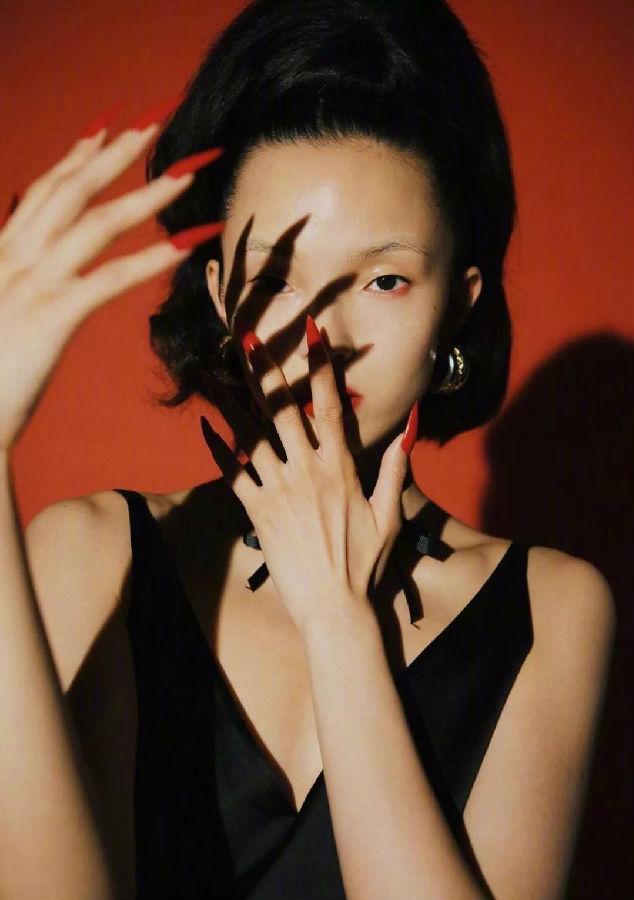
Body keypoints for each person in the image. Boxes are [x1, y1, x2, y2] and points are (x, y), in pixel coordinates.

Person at [0, 0, 616, 897]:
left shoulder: (549, 610)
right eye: (280, 279)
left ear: (458, 304)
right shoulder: (94, 558)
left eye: (384, 279)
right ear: (221, 296)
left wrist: (338, 622)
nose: (326, 336)